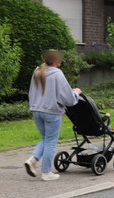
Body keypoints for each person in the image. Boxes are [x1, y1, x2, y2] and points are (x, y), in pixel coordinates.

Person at [25, 50, 82, 181]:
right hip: (51, 111)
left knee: (45, 138)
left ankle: (32, 159)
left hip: (36, 110)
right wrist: (76, 93)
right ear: (57, 61)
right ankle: (46, 172)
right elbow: (67, 97)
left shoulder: (37, 71)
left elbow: (31, 91)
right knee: (50, 141)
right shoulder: (57, 74)